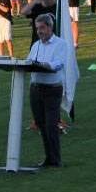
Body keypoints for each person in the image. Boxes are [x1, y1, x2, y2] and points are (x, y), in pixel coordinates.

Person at [27, 13, 68, 168]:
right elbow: (29, 61)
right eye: (37, 28)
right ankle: (48, 157)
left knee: (51, 125)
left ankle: (56, 159)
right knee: (41, 124)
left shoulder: (61, 44)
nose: (39, 31)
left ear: (50, 27)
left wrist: (43, 65)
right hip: (36, 89)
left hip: (52, 90)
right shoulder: (36, 45)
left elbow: (58, 64)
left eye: (42, 28)